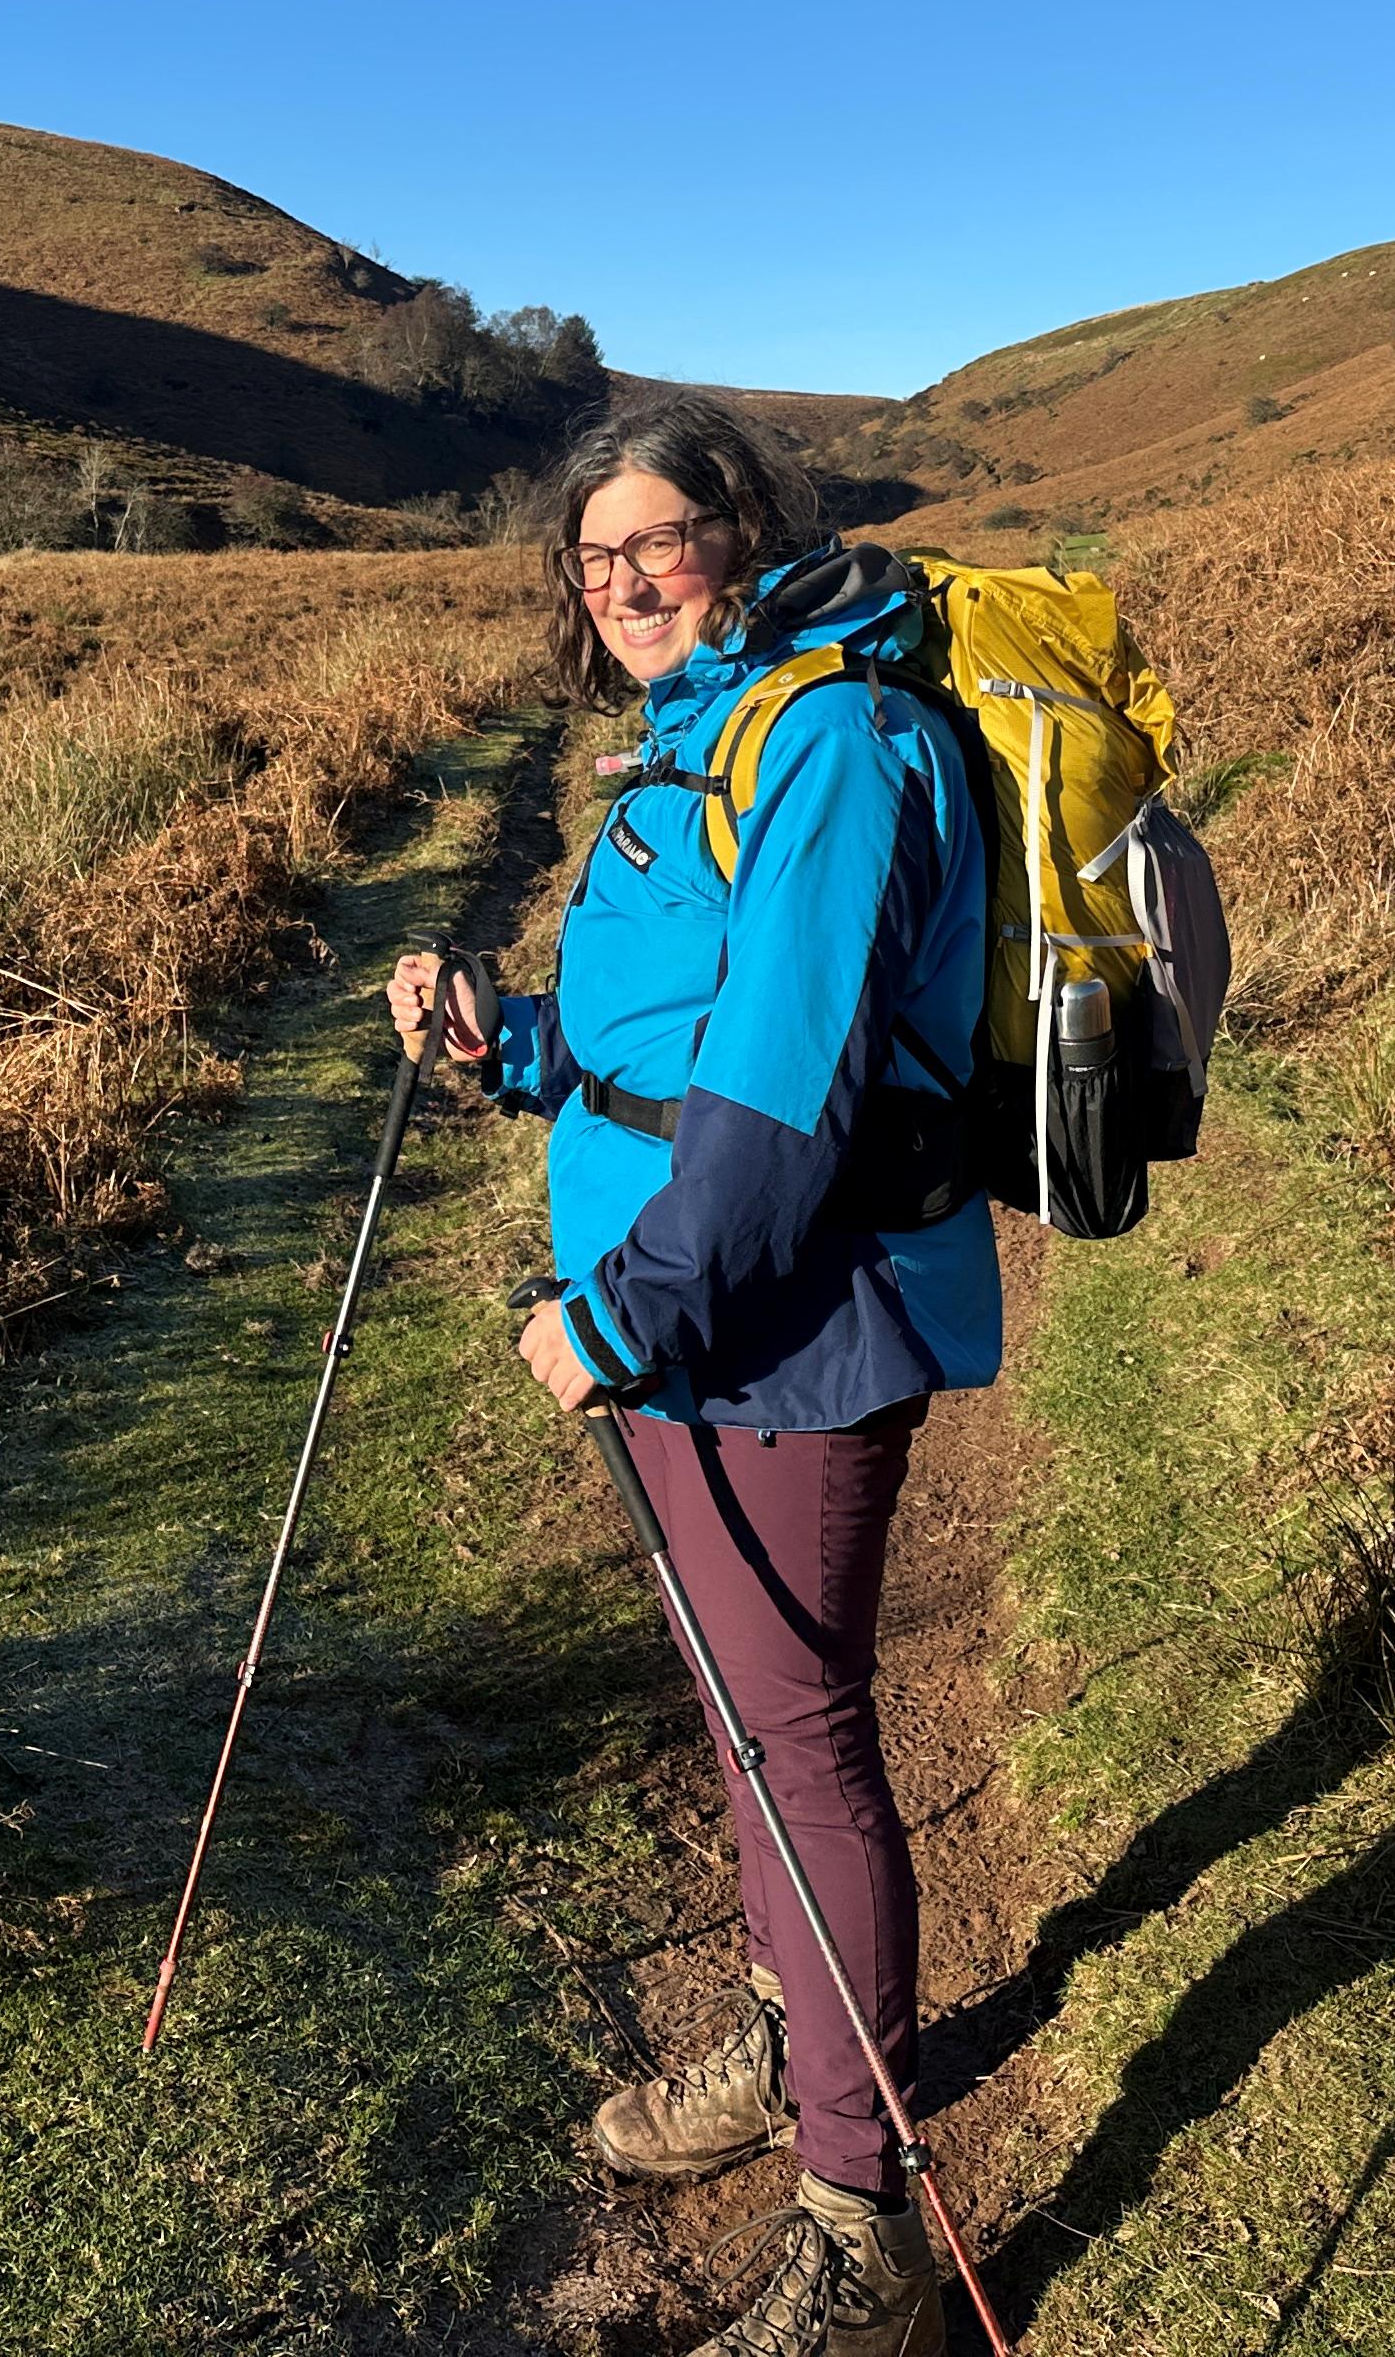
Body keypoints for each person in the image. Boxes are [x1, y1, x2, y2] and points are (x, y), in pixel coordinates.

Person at [389, 392, 992, 2357]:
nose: (625, 578)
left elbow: (784, 1097)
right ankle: (784, 2034)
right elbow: (677, 1028)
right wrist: (517, 1051)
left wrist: (624, 1315)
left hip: (789, 1318)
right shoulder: (712, 733)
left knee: (799, 1727)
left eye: (658, 538)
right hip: (694, 1301)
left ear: (743, 530)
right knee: (747, 1710)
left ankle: (861, 2223)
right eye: (595, 556)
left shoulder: (834, 740)